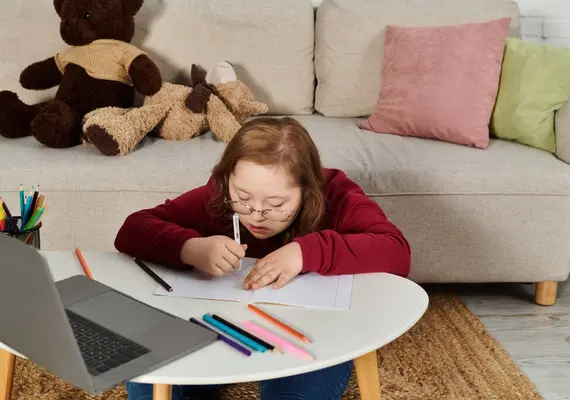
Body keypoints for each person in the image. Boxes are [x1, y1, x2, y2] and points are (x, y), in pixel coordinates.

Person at [114, 116, 411, 400]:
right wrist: (191, 247)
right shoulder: (218, 196)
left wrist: (307, 251)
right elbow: (132, 229)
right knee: (147, 375)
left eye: (276, 203)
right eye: (243, 197)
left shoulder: (336, 196)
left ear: (308, 191)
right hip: (225, 324)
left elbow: (397, 252)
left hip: (312, 331)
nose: (256, 214)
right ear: (227, 178)